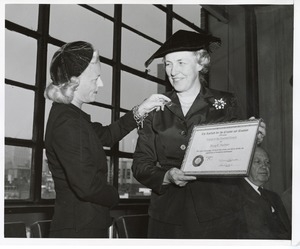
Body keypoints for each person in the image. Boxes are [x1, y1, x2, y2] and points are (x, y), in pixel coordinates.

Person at [132, 30, 266, 238]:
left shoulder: (226, 103)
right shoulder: (154, 108)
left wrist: (251, 140)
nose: (173, 71)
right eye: (168, 64)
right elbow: (140, 165)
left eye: (181, 63)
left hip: (220, 215)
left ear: (200, 63)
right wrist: (167, 176)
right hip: (168, 217)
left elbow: (237, 161)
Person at [44, 41, 170, 238]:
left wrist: (142, 109)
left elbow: (107, 135)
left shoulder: (72, 117)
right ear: (75, 81)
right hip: (79, 232)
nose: (100, 84)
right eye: (96, 78)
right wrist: (115, 196)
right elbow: (87, 187)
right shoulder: (67, 123)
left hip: (83, 226)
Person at [238, 146, 291, 239]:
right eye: (258, 162)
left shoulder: (274, 197)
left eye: (267, 162)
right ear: (245, 166)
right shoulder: (235, 196)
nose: (264, 166)